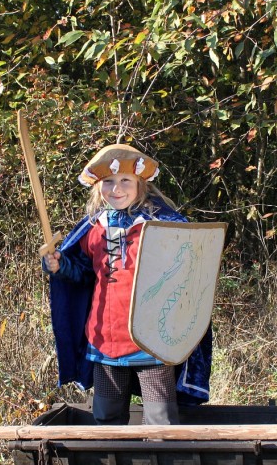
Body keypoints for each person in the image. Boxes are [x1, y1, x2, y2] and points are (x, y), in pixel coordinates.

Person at [43, 144, 212, 425]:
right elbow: (84, 275)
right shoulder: (93, 227)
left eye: (125, 180)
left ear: (140, 184)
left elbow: (189, 270)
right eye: (108, 181)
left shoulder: (163, 225)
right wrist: (61, 266)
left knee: (160, 419)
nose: (116, 189)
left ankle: (162, 456)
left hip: (153, 338)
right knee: (107, 416)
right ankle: (114, 457)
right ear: (98, 186)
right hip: (105, 336)